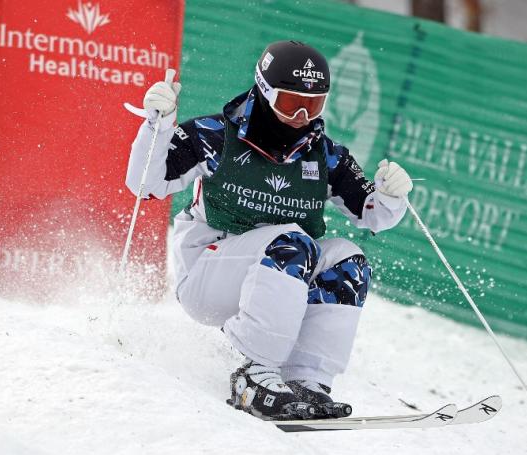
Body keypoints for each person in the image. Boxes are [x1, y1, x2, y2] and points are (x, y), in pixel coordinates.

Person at [125, 40, 413, 420]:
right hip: (209, 274)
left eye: (313, 105)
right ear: (263, 90)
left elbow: (373, 215)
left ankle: (306, 379)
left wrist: (391, 197)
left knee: (349, 260)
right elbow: (146, 183)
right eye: (289, 102)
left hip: (277, 275)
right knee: (293, 243)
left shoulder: (325, 155)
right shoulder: (215, 136)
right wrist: (156, 127)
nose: (300, 115)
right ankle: (255, 372)